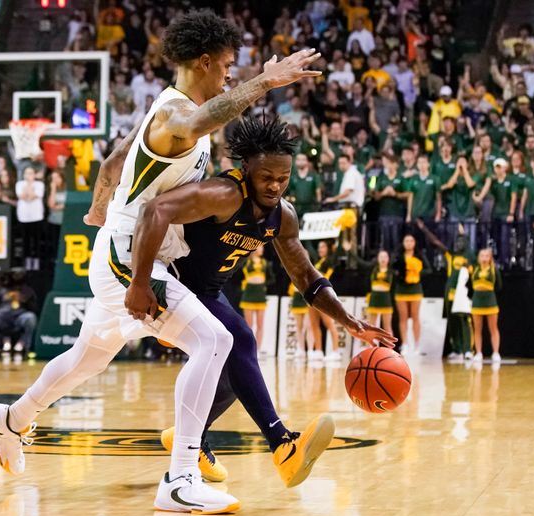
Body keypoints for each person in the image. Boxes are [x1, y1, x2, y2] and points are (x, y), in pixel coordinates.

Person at [0, 10, 321, 515]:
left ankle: (11, 418)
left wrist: (99, 209)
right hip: (131, 257)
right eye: (227, 66)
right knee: (215, 340)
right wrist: (265, 81)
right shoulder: (176, 114)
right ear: (204, 63)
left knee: (88, 359)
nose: (229, 74)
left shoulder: (164, 112)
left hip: (127, 250)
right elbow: (193, 123)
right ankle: (181, 479)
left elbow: (114, 159)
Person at [143, 116, 395, 488]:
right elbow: (155, 210)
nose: (275, 186)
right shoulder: (224, 195)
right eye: (267, 177)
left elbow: (307, 278)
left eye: (283, 178)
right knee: (240, 342)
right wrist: (140, 281)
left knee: (233, 370)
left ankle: (189, 439)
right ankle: (282, 446)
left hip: (208, 295)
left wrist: (349, 321)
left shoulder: (283, 216)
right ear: (246, 170)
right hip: (174, 286)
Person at [417, 220, 475, 361]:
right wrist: (424, 228)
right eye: (457, 241)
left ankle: (468, 350)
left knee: (464, 321)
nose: (458, 243)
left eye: (461, 241)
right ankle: (457, 349)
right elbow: (436, 243)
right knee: (452, 322)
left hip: (463, 292)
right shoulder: (451, 256)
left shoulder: (470, 257)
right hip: (450, 291)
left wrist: (463, 234)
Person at [0, 270, 38, 359]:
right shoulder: (1, 287)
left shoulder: (26, 289)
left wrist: (24, 299)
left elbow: (34, 307)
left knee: (30, 317)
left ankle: (29, 349)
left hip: (20, 317)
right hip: (2, 316)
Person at [393, 234, 430, 356]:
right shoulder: (398, 256)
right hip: (401, 289)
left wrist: (416, 272)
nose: (409, 243)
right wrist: (400, 274)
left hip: (415, 289)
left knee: (415, 317)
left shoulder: (419, 256)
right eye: (406, 240)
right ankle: (405, 344)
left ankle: (417, 345)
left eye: (411, 240)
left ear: (414, 243)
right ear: (403, 243)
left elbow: (429, 269)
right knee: (403, 317)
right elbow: (392, 269)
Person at [307, 240, 341, 361]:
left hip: (324, 296)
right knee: (314, 324)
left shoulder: (330, 261)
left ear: (328, 249)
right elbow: (309, 247)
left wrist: (343, 232)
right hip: (312, 295)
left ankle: (336, 351)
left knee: (329, 323)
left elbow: (338, 251)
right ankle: (319, 350)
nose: (320, 249)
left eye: (323, 247)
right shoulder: (317, 262)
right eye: (319, 247)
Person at [470, 248, 502, 363]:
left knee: (493, 328)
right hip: (477, 301)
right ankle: (478, 352)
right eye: (482, 256)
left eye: (486, 256)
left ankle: (496, 353)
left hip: (490, 301)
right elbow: (469, 285)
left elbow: (499, 286)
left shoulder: (494, 270)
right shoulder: (474, 269)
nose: (484, 258)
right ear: (478, 258)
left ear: (490, 258)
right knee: (477, 329)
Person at [239, 246, 271, 356]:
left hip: (260, 295)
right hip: (249, 294)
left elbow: (271, 278)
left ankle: (258, 349)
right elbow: (238, 276)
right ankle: (249, 349)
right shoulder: (246, 261)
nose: (262, 249)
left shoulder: (265, 263)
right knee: (249, 325)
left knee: (260, 324)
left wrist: (264, 286)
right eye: (260, 247)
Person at [366, 250, 394, 339]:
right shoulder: (373, 269)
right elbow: (362, 264)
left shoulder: (391, 271)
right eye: (381, 257)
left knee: (387, 327)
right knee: (371, 327)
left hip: (386, 299)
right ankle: (371, 350)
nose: (383, 259)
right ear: (377, 259)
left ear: (388, 259)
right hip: (374, 298)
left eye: (385, 257)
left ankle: (391, 351)